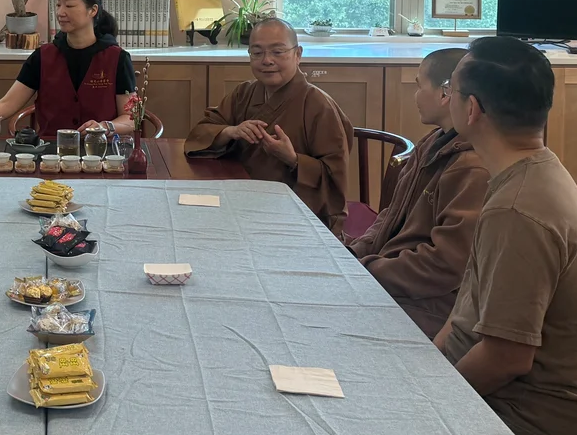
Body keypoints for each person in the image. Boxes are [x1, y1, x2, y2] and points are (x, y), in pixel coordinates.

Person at [435, 37, 577, 435]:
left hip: (523, 418)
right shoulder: (530, 172)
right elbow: (468, 305)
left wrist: (435, 402)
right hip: (496, 394)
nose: (445, 97)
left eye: (450, 89)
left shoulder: (517, 209)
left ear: (471, 109)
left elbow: (506, 358)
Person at [346, 47, 489, 339]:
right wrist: (354, 253)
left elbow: (445, 266)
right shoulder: (431, 143)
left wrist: (368, 270)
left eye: (419, 85)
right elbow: (391, 214)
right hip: (392, 277)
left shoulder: (472, 166)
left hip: (431, 305)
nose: (415, 96)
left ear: (446, 93)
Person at [182, 18, 351, 233]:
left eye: (277, 52)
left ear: (298, 54)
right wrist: (231, 131)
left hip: (296, 215)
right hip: (241, 202)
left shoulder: (319, 105)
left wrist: (293, 159)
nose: (267, 60)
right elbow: (200, 132)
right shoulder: (244, 93)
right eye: (257, 52)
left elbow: (335, 179)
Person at [0, 0, 137, 137]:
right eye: (58, 4)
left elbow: (131, 118)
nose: (60, 12)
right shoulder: (42, 57)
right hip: (51, 150)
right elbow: (5, 104)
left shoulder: (117, 58)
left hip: (100, 149)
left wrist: (105, 126)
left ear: (93, 10)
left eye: (69, 5)